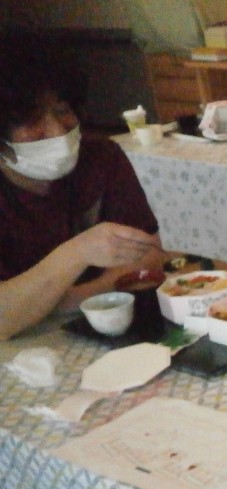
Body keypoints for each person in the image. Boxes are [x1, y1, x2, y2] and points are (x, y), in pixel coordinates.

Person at [0, 43, 164, 341]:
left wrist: (64, 300)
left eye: (62, 110)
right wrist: (77, 252)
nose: (57, 130)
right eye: (31, 119)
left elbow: (149, 254)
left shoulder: (101, 158)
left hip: (98, 330)